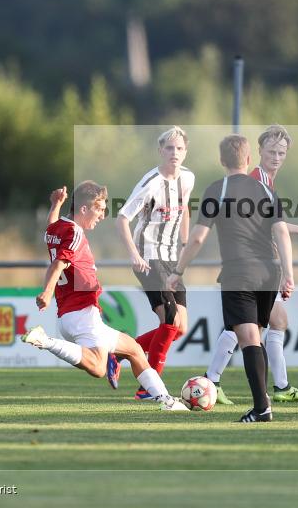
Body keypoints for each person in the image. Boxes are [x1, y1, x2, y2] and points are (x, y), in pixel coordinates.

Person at [21, 181, 188, 411]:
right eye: (98, 209)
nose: (102, 215)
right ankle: (45, 340)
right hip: (82, 314)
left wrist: (55, 204)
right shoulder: (75, 233)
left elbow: (51, 227)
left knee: (134, 349)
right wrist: (47, 292)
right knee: (99, 368)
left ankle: (166, 401)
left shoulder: (57, 228)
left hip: (74, 315)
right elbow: (58, 264)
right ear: (83, 209)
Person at [167, 135, 295, 423]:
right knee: (255, 335)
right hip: (269, 272)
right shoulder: (265, 189)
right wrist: (289, 274)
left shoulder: (217, 189)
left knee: (249, 336)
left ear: (222, 161)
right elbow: (282, 232)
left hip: (239, 272)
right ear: (249, 160)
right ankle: (263, 404)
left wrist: (178, 271)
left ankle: (262, 408)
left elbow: (198, 237)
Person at [205, 125, 298, 404]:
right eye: (271, 152)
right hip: (250, 268)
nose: (276, 157)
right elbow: (265, 222)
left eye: (282, 152)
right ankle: (216, 381)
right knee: (251, 327)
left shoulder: (265, 181)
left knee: (268, 323)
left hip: (258, 268)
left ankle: (276, 386)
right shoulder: (253, 179)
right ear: (259, 152)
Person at [114, 126, 194, 400]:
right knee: (169, 320)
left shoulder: (188, 178)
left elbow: (184, 209)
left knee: (180, 327)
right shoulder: (151, 182)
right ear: (160, 151)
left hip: (172, 258)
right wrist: (134, 255)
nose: (175, 153)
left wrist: (185, 245)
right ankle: (148, 388)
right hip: (149, 256)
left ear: (185, 152)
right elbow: (122, 218)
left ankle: (119, 352)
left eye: (180, 148)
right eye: (169, 148)